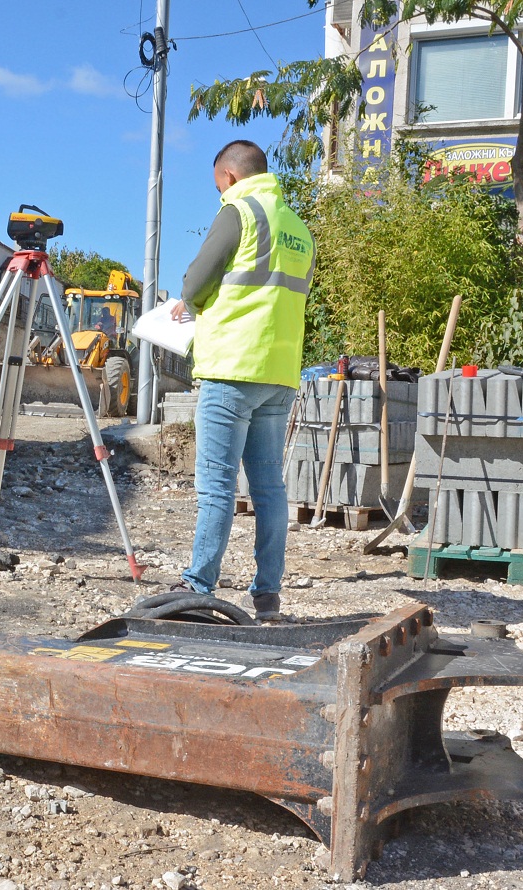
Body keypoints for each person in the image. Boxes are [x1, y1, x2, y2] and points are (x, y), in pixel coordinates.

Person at [165, 140, 315, 622]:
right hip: (279, 373)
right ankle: (268, 594)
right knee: (270, 488)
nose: (219, 195)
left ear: (229, 176)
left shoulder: (240, 212)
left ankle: (198, 588)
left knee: (216, 487)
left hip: (232, 368)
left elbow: (193, 284)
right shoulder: (299, 229)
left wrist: (193, 305)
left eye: (217, 187)